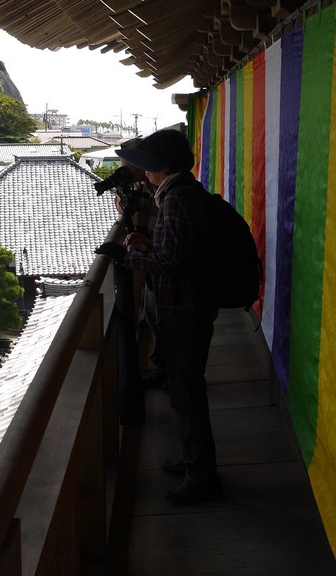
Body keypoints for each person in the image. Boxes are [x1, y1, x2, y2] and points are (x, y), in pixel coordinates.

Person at [95, 129, 222, 505]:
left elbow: (172, 262)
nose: (143, 170)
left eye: (148, 163)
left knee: (186, 393)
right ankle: (193, 460)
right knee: (185, 390)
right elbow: (179, 250)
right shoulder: (182, 192)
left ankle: (201, 477)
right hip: (189, 303)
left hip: (183, 307)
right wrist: (149, 245)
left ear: (162, 165)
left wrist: (128, 256)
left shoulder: (177, 198)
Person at [111, 138, 164, 389]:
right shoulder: (137, 186)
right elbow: (124, 211)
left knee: (162, 317)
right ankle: (165, 369)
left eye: (128, 166)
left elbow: (169, 221)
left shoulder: (161, 187)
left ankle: (169, 372)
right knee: (154, 315)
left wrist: (146, 222)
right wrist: (121, 193)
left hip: (162, 259)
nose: (125, 170)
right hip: (151, 257)